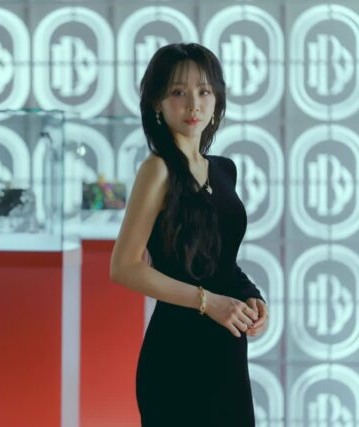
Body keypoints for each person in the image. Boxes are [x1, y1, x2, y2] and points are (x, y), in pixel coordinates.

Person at [110, 43, 269, 426]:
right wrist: (208, 302)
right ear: (157, 103)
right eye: (178, 92)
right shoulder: (158, 170)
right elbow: (124, 267)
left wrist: (251, 295)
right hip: (177, 353)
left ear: (217, 99)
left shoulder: (224, 170)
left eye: (204, 91)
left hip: (226, 350)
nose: (193, 104)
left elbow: (221, 260)